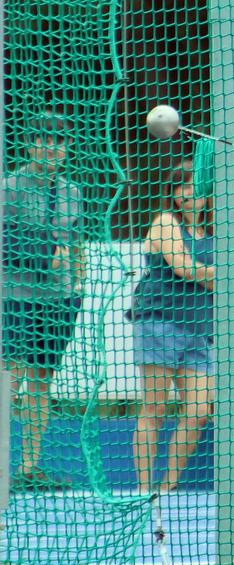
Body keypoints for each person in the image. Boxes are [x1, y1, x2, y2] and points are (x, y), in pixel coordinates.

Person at [2, 113, 86, 491]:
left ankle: (29, 467)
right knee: (9, 377)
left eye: (58, 141)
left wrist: (78, 285)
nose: (51, 147)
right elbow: (5, 243)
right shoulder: (11, 187)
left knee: (41, 381)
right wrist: (44, 253)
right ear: (29, 143)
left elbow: (77, 242)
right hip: (16, 296)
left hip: (57, 298)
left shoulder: (72, 191)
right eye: (43, 139)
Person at [127, 161, 215, 493]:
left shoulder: (212, 236)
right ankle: (144, 488)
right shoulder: (165, 223)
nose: (188, 193)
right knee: (155, 408)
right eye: (181, 187)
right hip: (160, 324)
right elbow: (182, 267)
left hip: (199, 330)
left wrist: (208, 276)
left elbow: (227, 283)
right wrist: (213, 276)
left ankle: (168, 487)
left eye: (194, 186)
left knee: (198, 411)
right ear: (174, 195)